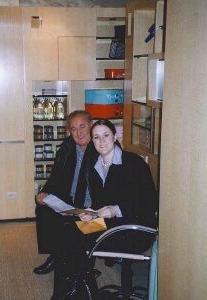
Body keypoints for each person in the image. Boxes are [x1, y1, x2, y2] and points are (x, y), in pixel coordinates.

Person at [51, 119, 158, 299]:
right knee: (67, 231)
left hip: (134, 229)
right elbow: (100, 202)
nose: (101, 141)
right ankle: (72, 289)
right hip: (107, 225)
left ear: (115, 136)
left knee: (75, 239)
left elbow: (150, 203)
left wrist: (116, 210)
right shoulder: (95, 167)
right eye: (96, 137)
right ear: (92, 141)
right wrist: (90, 212)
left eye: (106, 135)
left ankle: (80, 289)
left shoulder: (133, 163)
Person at [33, 110, 98, 275]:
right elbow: (56, 177)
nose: (79, 132)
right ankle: (55, 255)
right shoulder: (67, 149)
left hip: (94, 208)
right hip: (69, 202)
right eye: (74, 128)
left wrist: (93, 206)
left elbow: (109, 189)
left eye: (82, 126)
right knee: (43, 208)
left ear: (91, 125)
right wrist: (45, 192)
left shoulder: (102, 148)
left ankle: (84, 261)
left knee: (77, 228)